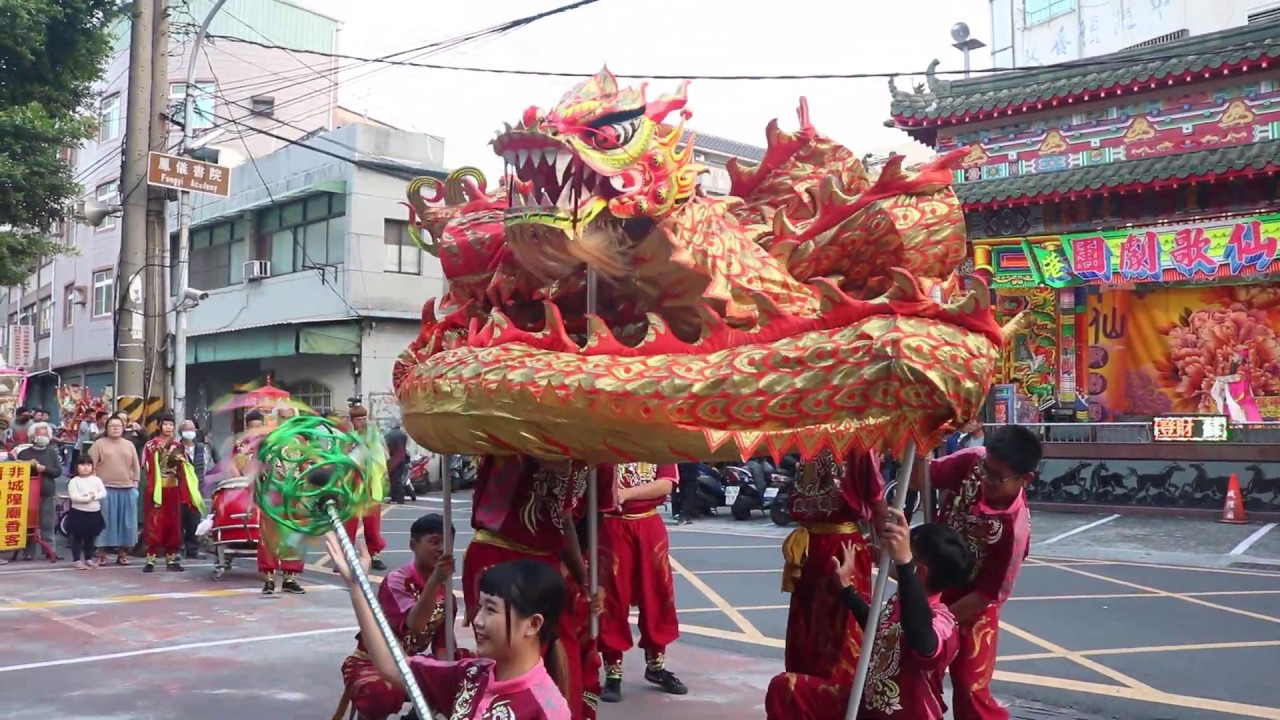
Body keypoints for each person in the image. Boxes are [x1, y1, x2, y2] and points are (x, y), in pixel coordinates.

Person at [764, 511, 975, 720]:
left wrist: (904, 564)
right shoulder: (899, 601)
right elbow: (880, 631)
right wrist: (847, 588)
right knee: (785, 687)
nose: (892, 554)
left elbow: (921, 639)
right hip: (866, 708)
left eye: (904, 552)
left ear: (918, 572)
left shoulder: (943, 623)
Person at [330, 539, 572, 720]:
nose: (477, 620)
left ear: (533, 624)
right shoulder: (472, 674)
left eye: (491, 610)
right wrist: (356, 586)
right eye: (480, 607)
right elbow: (394, 668)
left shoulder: (547, 710)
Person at [911, 424, 1041, 720]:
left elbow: (987, 595)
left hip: (972, 608)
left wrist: (941, 621)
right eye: (985, 470)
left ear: (1025, 479)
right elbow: (922, 481)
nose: (985, 480)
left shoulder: (1013, 530)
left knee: (970, 688)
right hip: (932, 589)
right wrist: (921, 448)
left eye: (997, 478)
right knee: (915, 671)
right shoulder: (973, 460)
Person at [464, 455, 595, 720]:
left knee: (562, 645)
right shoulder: (511, 431)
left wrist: (586, 581)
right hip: (499, 550)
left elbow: (564, 520)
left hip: (544, 559)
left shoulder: (582, 456)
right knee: (507, 646)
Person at [339, 513, 459, 719]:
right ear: (413, 545)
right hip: (372, 663)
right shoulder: (396, 581)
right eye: (434, 542)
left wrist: (447, 677)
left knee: (465, 673)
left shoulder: (448, 595)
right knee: (381, 692)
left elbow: (443, 645)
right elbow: (415, 624)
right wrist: (435, 581)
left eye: (447, 544)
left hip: (411, 663)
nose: (441, 549)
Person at [781, 449, 887, 683]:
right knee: (843, 622)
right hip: (843, 546)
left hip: (810, 545)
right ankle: (837, 694)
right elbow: (876, 499)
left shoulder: (810, 440)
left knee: (808, 622)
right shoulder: (859, 444)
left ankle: (803, 687)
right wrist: (884, 543)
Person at [596, 462, 686, 702]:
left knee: (657, 594)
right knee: (612, 598)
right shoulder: (604, 441)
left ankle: (656, 666)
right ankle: (612, 671)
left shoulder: (656, 440)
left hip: (648, 524)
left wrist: (625, 494)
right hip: (611, 527)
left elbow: (666, 484)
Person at [233, 411, 306, 595]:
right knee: (269, 537)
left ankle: (290, 577)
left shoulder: (300, 441)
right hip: (271, 494)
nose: (286, 420)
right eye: (283, 416)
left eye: (290, 417)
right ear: (275, 419)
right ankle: (269, 578)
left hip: (293, 494)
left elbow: (307, 466)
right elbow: (254, 466)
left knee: (293, 537)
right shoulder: (267, 440)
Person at [141, 412, 203, 572]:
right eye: (165, 424)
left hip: (174, 488)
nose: (168, 427)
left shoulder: (178, 446)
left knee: (173, 523)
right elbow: (146, 467)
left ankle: (171, 558)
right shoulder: (151, 445)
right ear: (158, 426)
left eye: (171, 425)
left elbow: (187, 468)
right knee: (154, 522)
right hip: (157, 489)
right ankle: (151, 558)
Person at [89, 416, 142, 565]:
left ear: (123, 428)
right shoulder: (99, 444)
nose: (115, 428)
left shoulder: (129, 444)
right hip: (105, 488)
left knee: (127, 523)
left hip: (127, 488)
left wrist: (135, 484)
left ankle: (122, 553)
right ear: (106, 428)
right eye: (112, 425)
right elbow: (90, 465)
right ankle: (102, 554)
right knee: (105, 523)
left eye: (118, 425)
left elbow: (135, 466)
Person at [344, 405, 387, 571]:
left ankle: (374, 554)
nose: (361, 421)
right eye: (358, 419)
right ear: (352, 421)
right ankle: (346, 557)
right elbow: (341, 459)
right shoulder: (347, 439)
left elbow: (381, 460)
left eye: (363, 418)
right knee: (349, 524)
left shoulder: (373, 438)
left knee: (372, 524)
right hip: (351, 486)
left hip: (369, 485)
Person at [17, 422, 63, 562]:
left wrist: (45, 469)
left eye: (45, 434)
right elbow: (18, 470)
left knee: (47, 524)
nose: (42, 437)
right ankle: (28, 552)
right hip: (28, 495)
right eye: (39, 434)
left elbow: (57, 471)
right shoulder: (24, 453)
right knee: (28, 524)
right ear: (32, 436)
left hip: (47, 492)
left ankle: (50, 550)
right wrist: (27, 465)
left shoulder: (51, 452)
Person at [65, 456, 107, 569]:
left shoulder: (96, 480)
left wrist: (94, 496)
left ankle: (89, 558)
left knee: (91, 537)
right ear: (77, 467)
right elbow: (74, 497)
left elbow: (103, 493)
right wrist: (87, 498)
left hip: (94, 512)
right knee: (77, 537)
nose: (85, 467)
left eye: (88, 465)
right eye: (82, 465)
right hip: (79, 513)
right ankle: (77, 560)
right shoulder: (74, 481)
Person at [385, 425, 414, 504]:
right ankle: (396, 498)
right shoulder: (402, 435)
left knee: (395, 480)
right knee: (398, 479)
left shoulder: (391, 435)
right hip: (402, 458)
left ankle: (397, 499)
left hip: (395, 459)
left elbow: (389, 446)